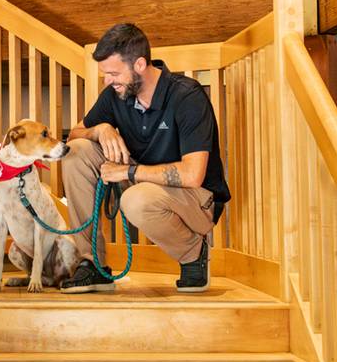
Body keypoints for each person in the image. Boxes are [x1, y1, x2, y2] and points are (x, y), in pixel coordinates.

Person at [59, 22, 230, 294]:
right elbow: (75, 135)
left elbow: (192, 174)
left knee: (135, 199)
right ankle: (93, 264)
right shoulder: (115, 95)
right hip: (142, 184)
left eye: (113, 73)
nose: (107, 81)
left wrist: (127, 172)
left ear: (139, 64)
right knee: (77, 152)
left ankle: (192, 253)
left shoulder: (187, 96)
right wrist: (100, 129)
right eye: (105, 74)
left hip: (196, 199)